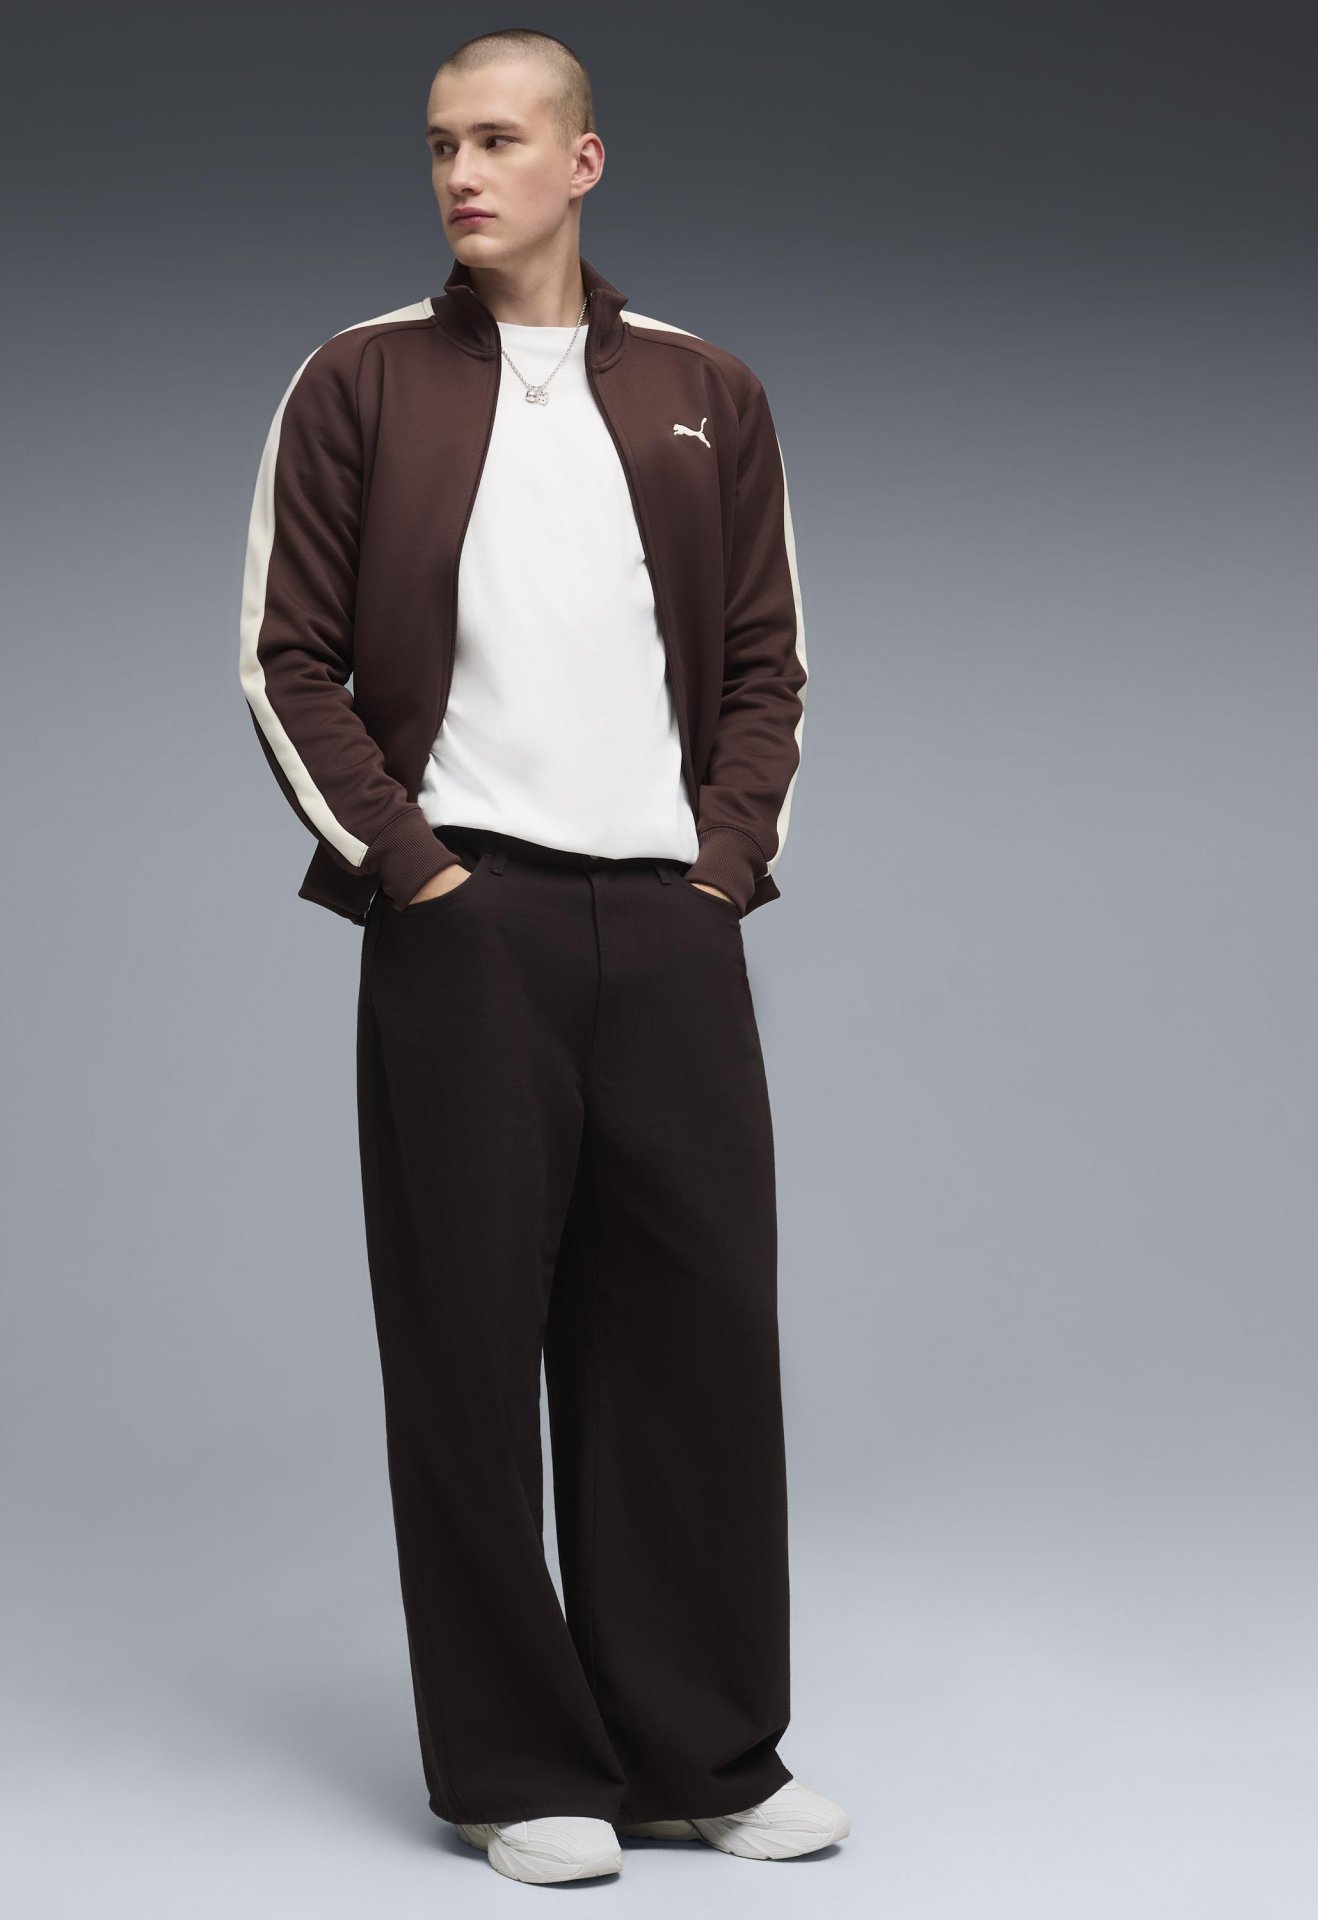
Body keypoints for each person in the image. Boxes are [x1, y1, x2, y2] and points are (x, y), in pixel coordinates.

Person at [238, 28, 846, 1884]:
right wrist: (416, 876)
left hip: (668, 929)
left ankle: (701, 1752)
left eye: (498, 140)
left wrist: (723, 872)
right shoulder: (358, 381)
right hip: (468, 926)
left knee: (696, 1341)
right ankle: (518, 1767)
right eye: (440, 145)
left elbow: (770, 664)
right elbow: (284, 659)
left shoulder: (707, 390)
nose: (460, 174)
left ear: (584, 162)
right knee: (465, 1345)